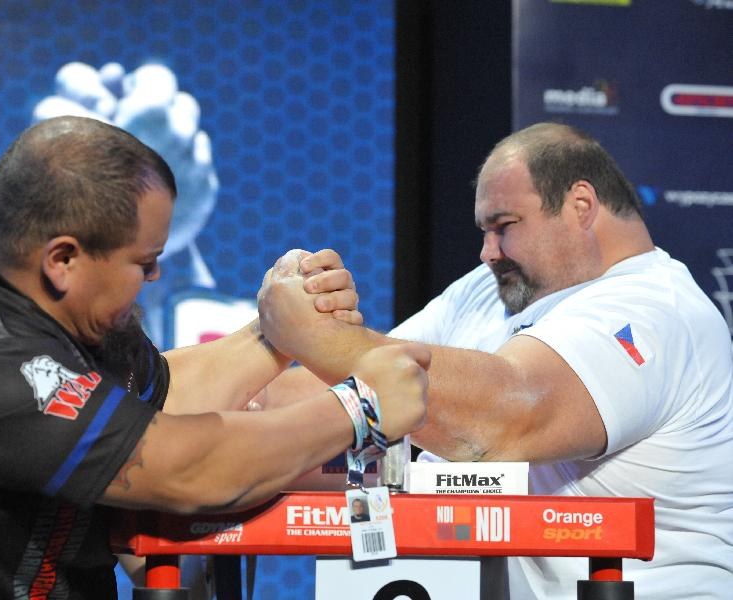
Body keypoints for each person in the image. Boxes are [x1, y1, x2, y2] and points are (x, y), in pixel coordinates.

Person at [0, 116, 432, 599]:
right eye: (143, 262)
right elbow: (184, 468)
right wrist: (361, 408)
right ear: (63, 259)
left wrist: (276, 333)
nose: (155, 275)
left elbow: (153, 404)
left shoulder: (52, 311)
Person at [259, 122, 733, 599]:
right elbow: (358, 388)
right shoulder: (492, 288)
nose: (488, 252)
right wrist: (239, 390)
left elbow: (502, 423)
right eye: (485, 231)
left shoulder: (655, 309)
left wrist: (322, 339)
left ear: (581, 206)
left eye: (504, 227)